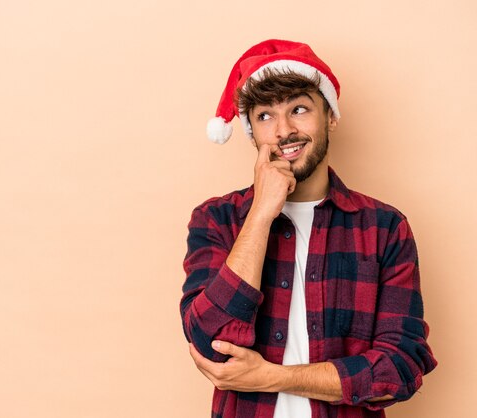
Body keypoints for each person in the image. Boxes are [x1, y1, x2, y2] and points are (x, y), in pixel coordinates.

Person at [180, 39, 437, 418]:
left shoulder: (384, 228)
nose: (284, 131)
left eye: (299, 109)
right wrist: (261, 214)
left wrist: (273, 377)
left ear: (330, 116)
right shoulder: (217, 220)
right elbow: (212, 341)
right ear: (251, 130)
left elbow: (399, 369)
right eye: (265, 116)